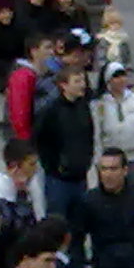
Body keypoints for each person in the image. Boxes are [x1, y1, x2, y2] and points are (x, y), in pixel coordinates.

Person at [32, 65, 95, 229]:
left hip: (80, 176)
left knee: (80, 225)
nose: (82, 85)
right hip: (58, 180)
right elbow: (40, 141)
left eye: (83, 80)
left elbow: (89, 136)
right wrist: (54, 167)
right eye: (77, 81)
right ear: (64, 85)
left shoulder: (83, 107)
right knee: (57, 225)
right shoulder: (50, 111)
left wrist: (87, 160)